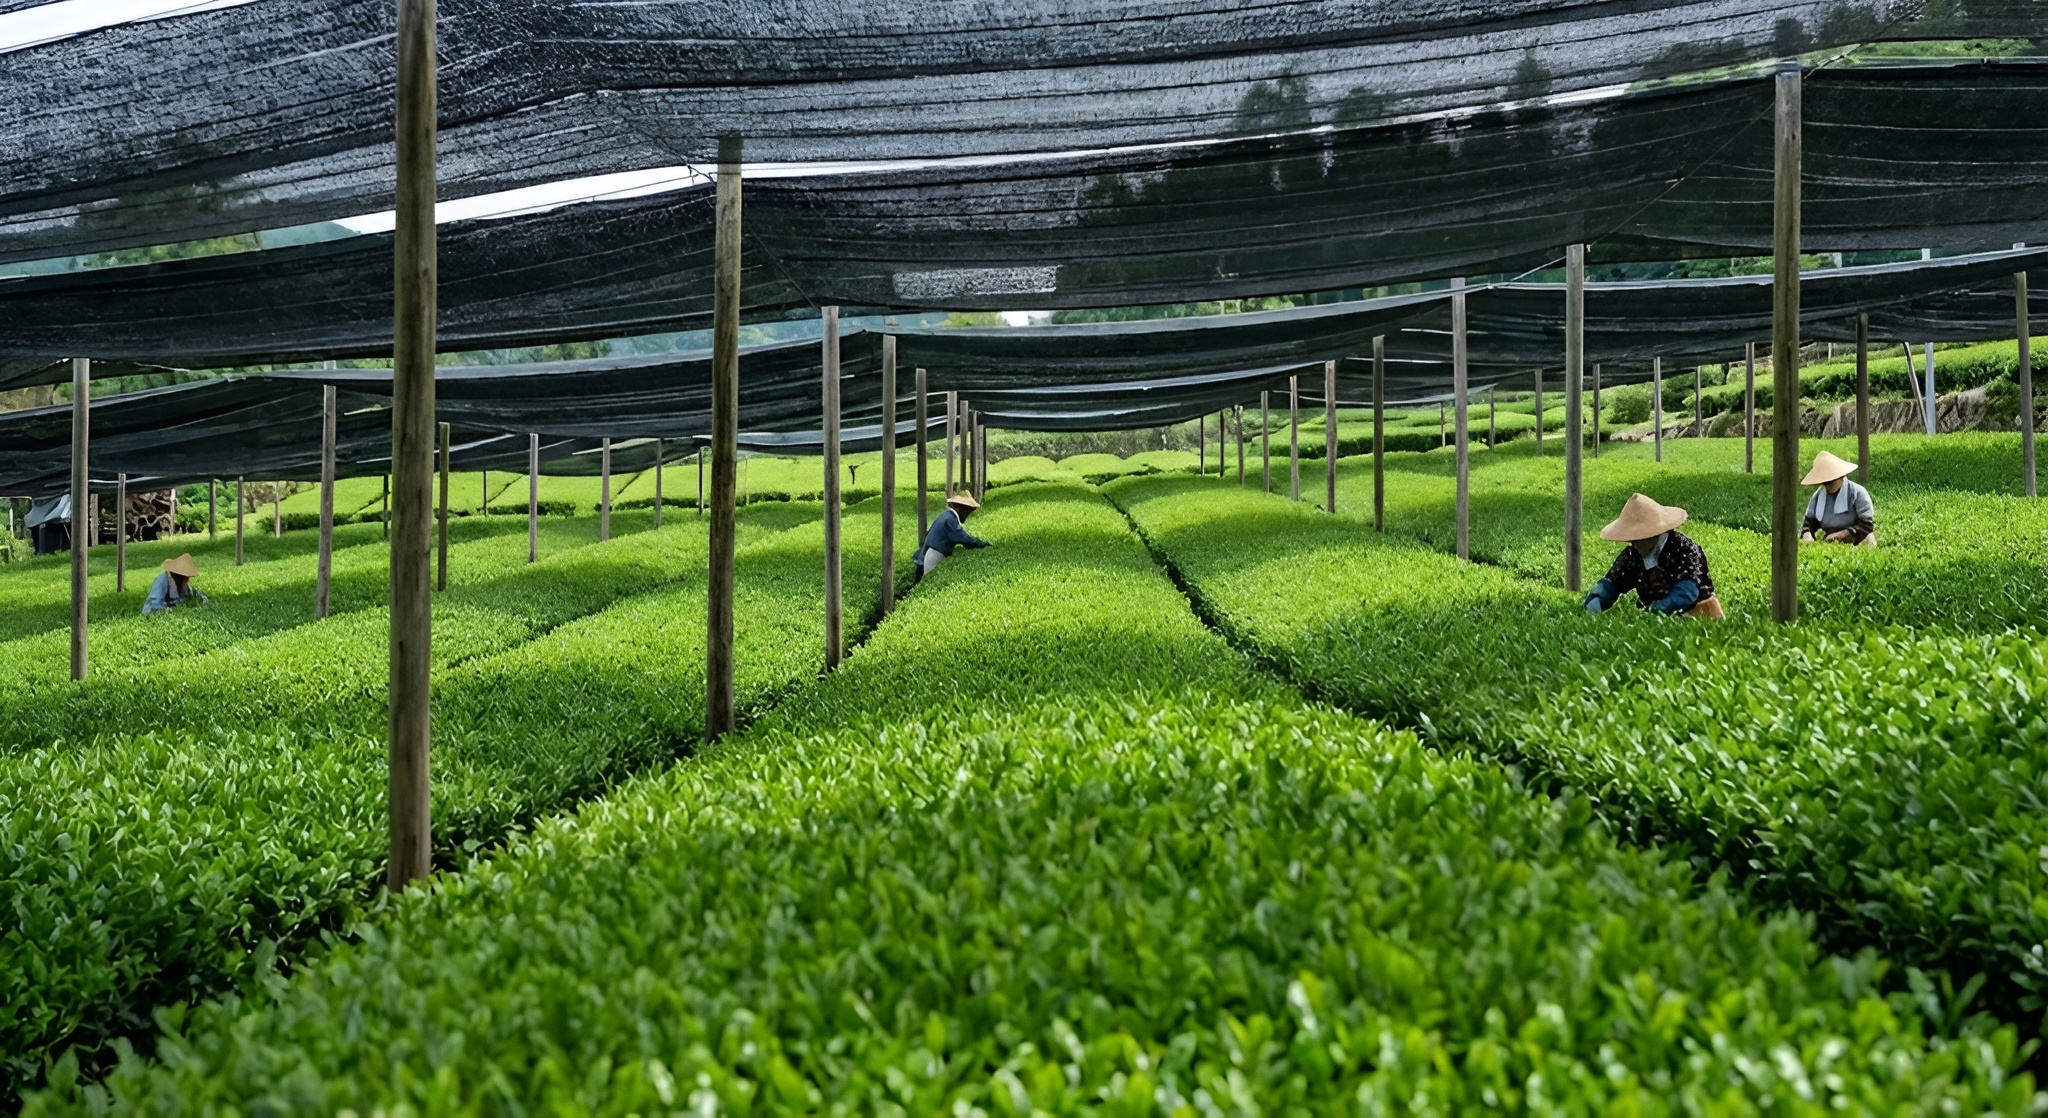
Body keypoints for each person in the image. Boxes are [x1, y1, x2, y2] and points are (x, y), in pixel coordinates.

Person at [1583, 493, 1723, 619]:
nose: (1633, 542)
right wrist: (1596, 601)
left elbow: (1687, 591)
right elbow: (1612, 582)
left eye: (1638, 537)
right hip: (1654, 616)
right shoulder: (1632, 555)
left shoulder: (1683, 549)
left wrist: (1657, 610)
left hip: (1698, 612)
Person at [1800, 450, 1875, 546]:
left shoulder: (1858, 493)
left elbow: (1866, 526)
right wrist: (1807, 536)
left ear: (1840, 477)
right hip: (1829, 539)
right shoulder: (1817, 496)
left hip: (1856, 537)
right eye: (1824, 483)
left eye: (1830, 482)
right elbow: (1808, 525)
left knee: (1869, 539)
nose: (1827, 486)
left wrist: (1842, 535)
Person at [913, 491, 989, 577]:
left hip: (929, 554)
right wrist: (982, 544)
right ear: (959, 508)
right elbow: (962, 537)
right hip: (933, 556)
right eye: (967, 511)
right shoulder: (950, 519)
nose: (968, 514)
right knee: (928, 578)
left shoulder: (947, 515)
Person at [142, 552, 208, 615]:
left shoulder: (182, 582)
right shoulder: (161, 581)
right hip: (159, 609)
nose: (187, 579)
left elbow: (191, 592)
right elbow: (153, 604)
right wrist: (167, 610)